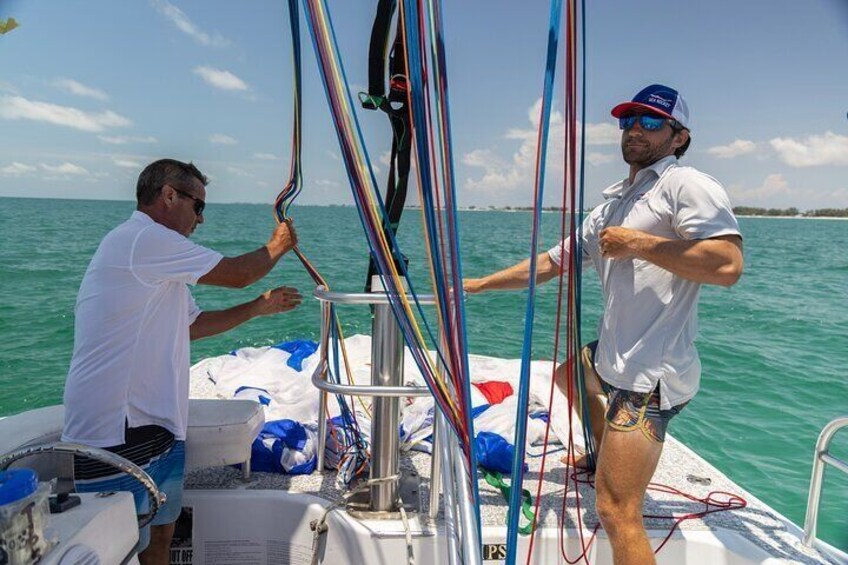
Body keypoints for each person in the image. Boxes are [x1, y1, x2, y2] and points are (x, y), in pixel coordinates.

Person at [464, 84, 743, 565]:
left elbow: (726, 265)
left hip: (648, 378)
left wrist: (640, 244)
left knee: (616, 511)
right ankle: (599, 452)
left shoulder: (685, 185)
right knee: (568, 373)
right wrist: (476, 286)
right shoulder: (615, 203)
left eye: (651, 121)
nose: (636, 128)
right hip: (615, 354)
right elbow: (553, 263)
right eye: (629, 119)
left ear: (679, 137)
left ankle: (611, 464)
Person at [62, 158, 302, 564]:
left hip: (156, 420)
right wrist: (277, 246)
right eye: (199, 206)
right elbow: (238, 272)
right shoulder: (142, 239)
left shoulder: (160, 262)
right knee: (116, 546)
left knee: (161, 534)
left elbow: (192, 325)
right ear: (169, 195)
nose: (201, 219)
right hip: (114, 427)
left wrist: (258, 309)